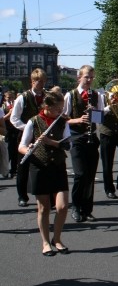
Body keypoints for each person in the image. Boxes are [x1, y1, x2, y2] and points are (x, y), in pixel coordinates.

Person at [18, 89, 72, 256]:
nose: (60, 111)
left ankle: (57, 239)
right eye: (57, 108)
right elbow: (21, 146)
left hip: (57, 166)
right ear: (47, 106)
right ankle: (45, 242)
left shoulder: (62, 122)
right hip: (39, 166)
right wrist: (31, 149)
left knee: (62, 207)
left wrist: (50, 142)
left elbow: (67, 145)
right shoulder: (33, 122)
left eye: (62, 108)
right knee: (44, 208)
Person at [64, 65, 103, 222]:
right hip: (76, 137)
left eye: (92, 77)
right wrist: (78, 120)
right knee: (80, 174)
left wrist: (94, 113)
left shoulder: (96, 95)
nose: (89, 80)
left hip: (91, 137)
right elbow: (64, 118)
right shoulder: (70, 95)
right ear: (79, 77)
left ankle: (87, 209)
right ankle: (76, 206)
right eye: (87, 77)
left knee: (90, 176)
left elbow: (100, 119)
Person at [10, 68, 47, 207]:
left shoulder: (47, 96)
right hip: (26, 136)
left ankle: (45, 194)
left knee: (44, 166)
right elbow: (14, 119)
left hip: (43, 137)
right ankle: (22, 196)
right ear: (32, 81)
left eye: (43, 81)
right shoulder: (23, 97)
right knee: (23, 167)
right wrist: (27, 128)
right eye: (38, 81)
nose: (41, 83)